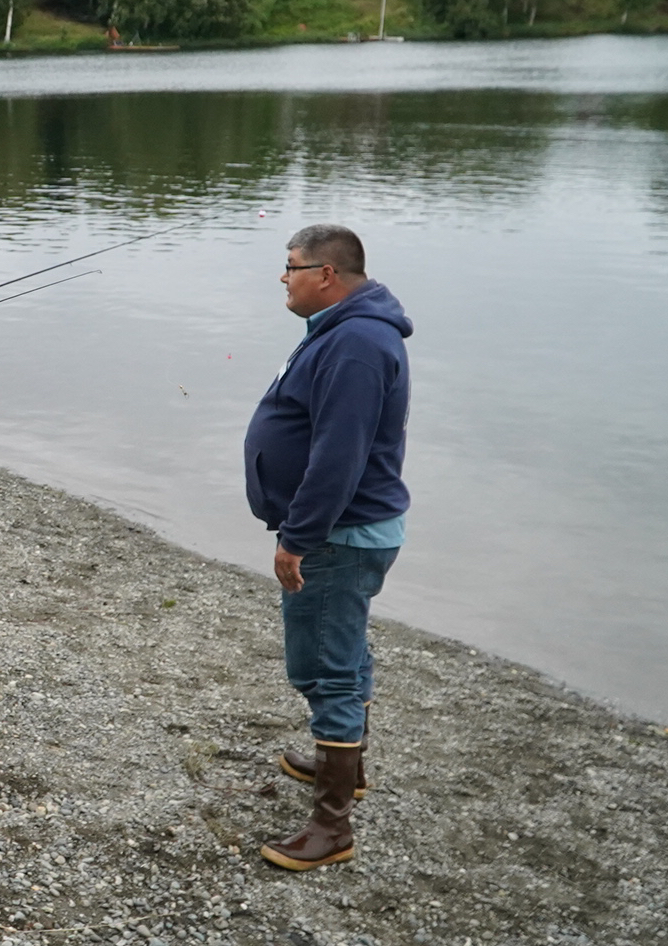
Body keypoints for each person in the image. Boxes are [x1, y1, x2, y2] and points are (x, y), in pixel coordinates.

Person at [243, 224, 411, 873]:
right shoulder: (344, 331)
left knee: (325, 667)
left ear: (328, 275)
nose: (283, 278)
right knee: (343, 651)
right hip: (345, 532)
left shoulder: (359, 345)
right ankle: (348, 764)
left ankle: (331, 826)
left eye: (290, 267)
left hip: (338, 537)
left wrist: (299, 539)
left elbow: (338, 457)